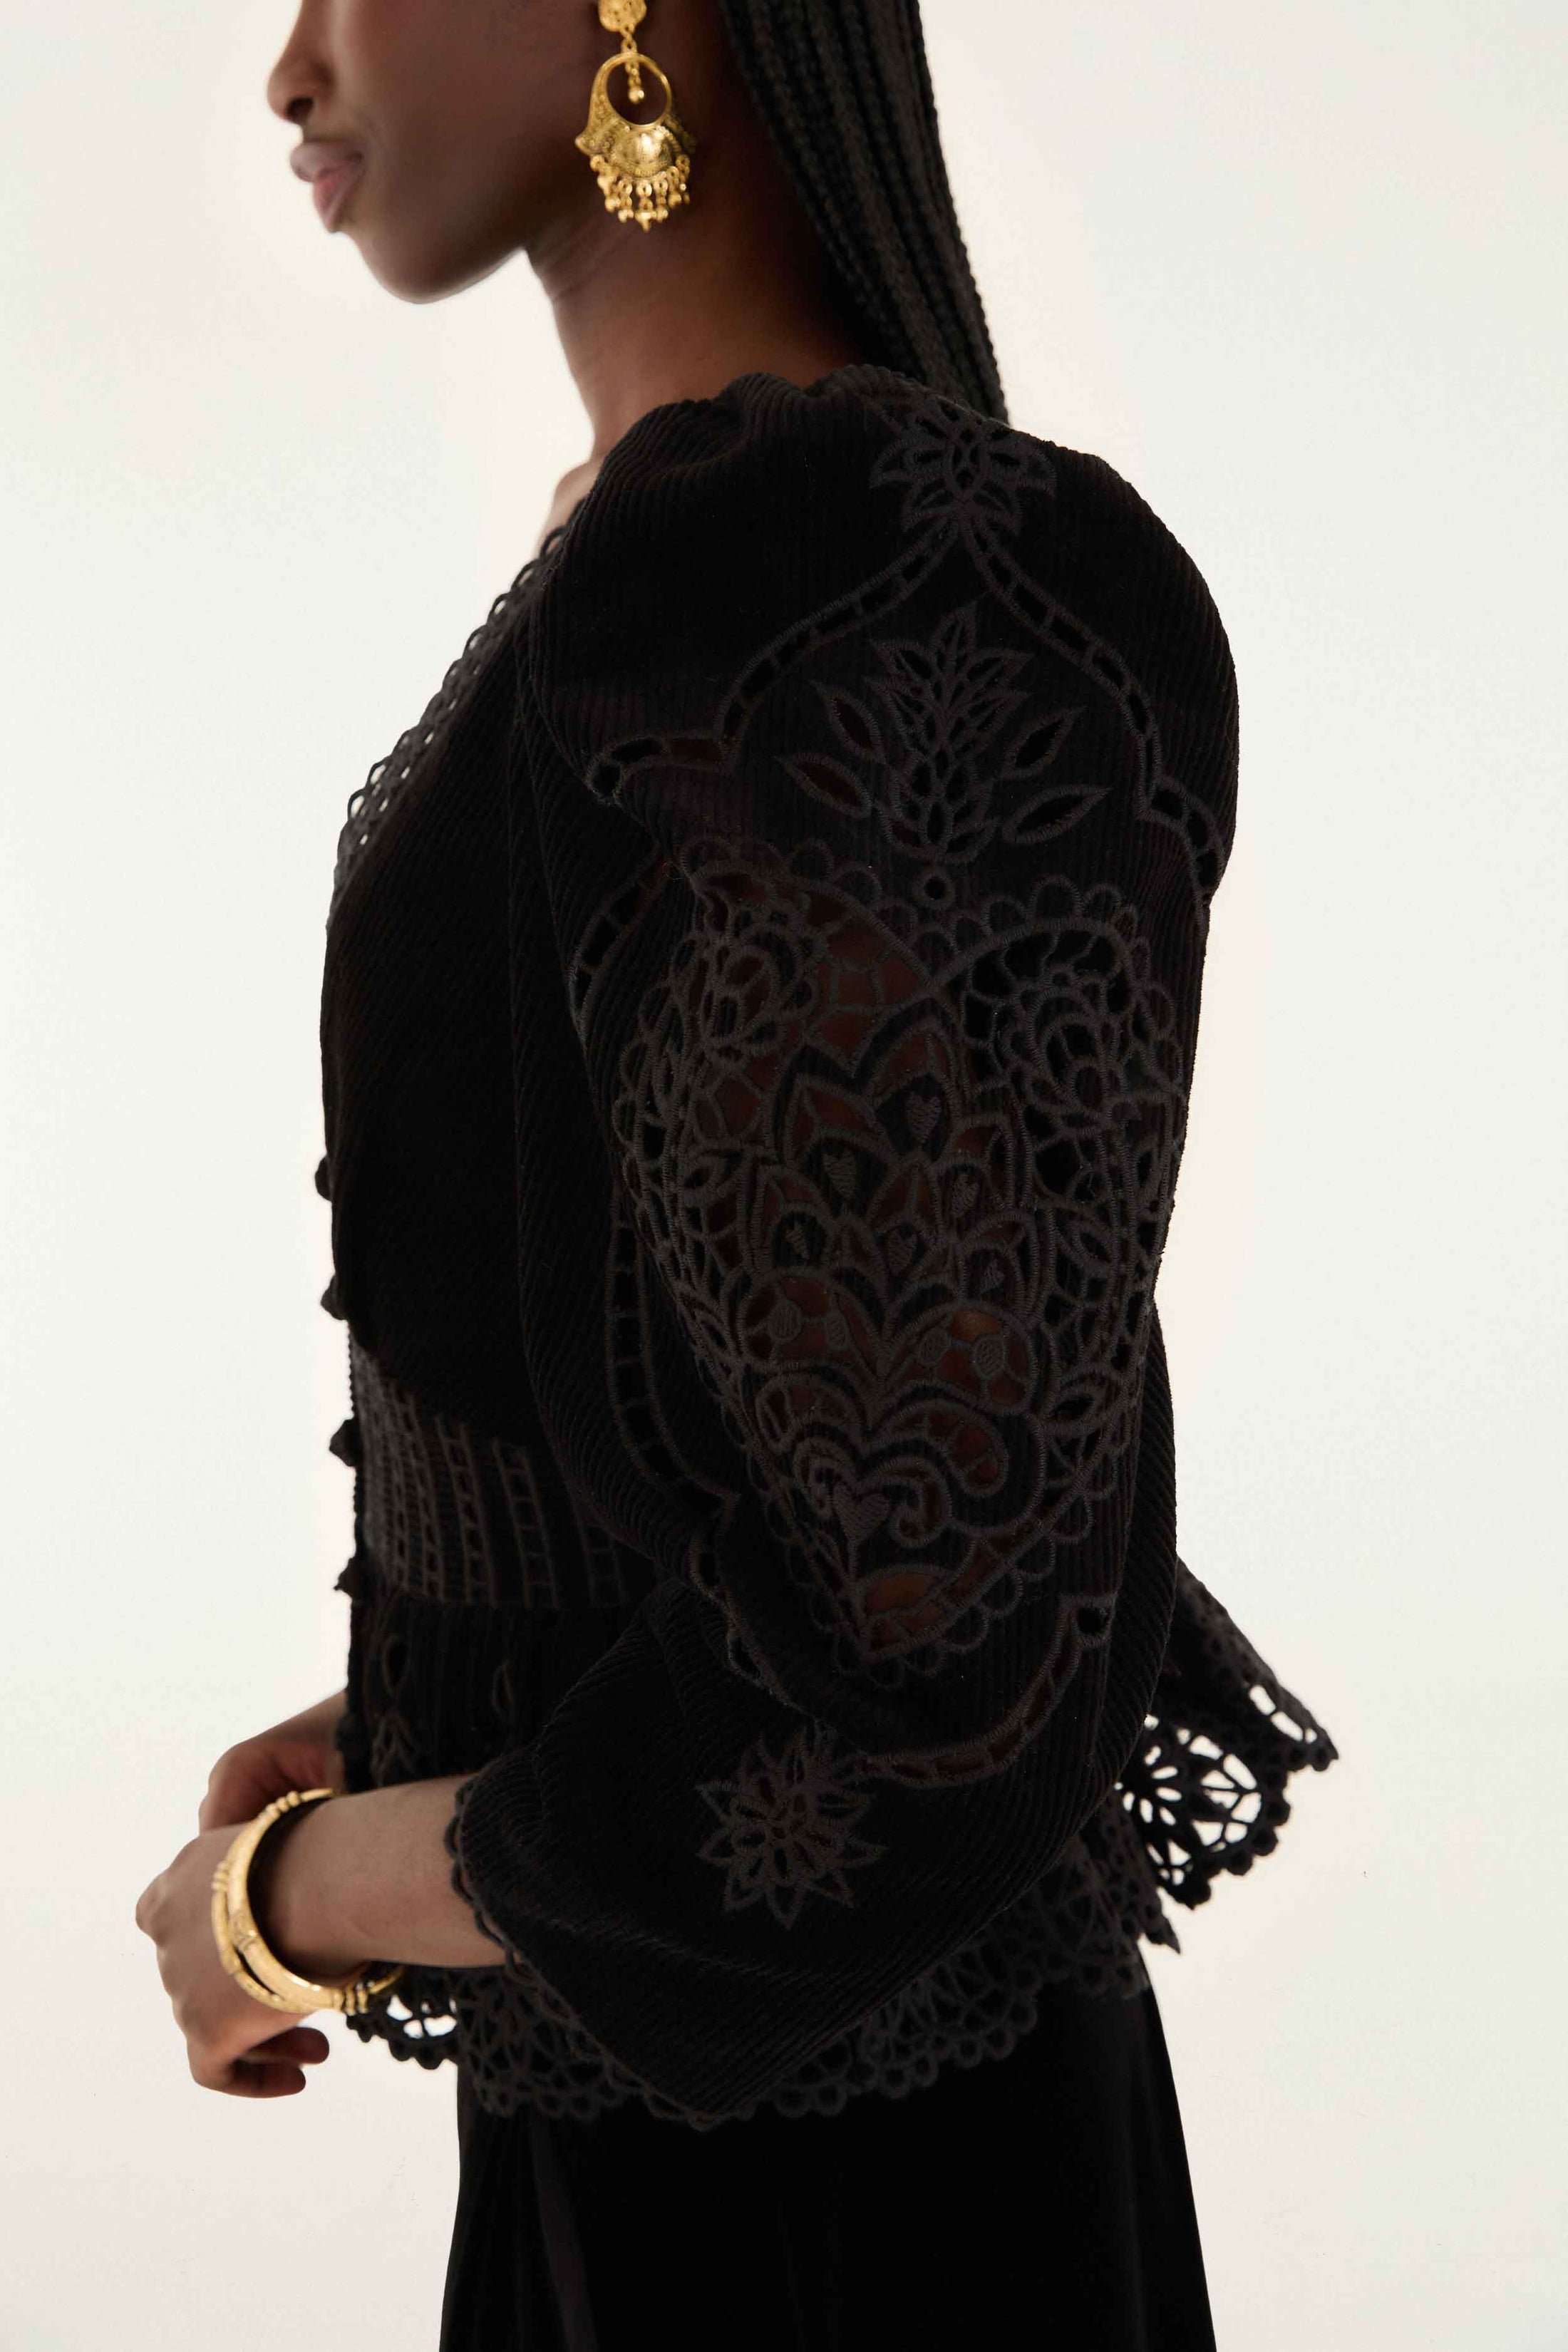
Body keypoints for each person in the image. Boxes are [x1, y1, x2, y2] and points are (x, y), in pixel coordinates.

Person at [134, 1, 1339, 2343]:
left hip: (851, 2231)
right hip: (682, 2170)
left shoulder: (826, 567)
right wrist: (444, 1702)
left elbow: (916, 1670)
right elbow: (796, 1447)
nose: (290, 63)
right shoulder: (678, 565)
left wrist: (296, 1899)